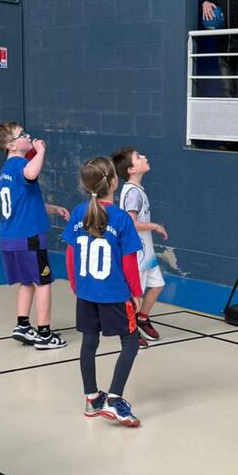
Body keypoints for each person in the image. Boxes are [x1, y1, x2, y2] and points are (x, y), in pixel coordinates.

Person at [62, 157, 144, 428]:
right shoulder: (120, 218)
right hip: (115, 294)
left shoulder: (79, 212)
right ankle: (115, 400)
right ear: (114, 182)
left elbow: (70, 253)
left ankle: (92, 398)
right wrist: (136, 292)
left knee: (89, 341)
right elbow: (129, 262)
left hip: (86, 291)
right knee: (130, 342)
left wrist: (75, 283)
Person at [0, 123, 70, 348]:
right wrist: (41, 151)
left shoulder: (6, 170)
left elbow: (23, 203)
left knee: (27, 282)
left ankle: (23, 325)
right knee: (43, 283)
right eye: (22, 134)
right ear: (12, 145)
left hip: (10, 236)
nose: (28, 136)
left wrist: (52, 208)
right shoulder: (20, 164)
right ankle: (45, 334)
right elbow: (32, 173)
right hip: (29, 236)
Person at [111, 147, 168, 348]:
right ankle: (131, 328)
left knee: (157, 285)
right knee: (135, 293)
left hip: (147, 252)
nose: (144, 157)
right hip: (138, 253)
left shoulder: (137, 189)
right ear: (131, 170)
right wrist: (155, 226)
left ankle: (142, 318)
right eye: (138, 157)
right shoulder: (133, 193)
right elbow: (131, 223)